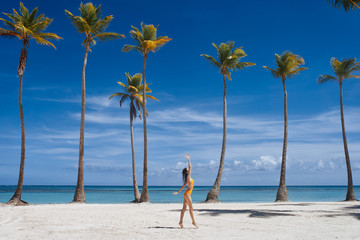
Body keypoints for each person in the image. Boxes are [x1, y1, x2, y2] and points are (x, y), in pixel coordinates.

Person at [173, 155, 198, 229]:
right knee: (191, 208)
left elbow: (183, 186)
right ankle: (193, 222)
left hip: (186, 194)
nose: (188, 169)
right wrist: (189, 159)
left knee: (184, 209)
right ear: (187, 171)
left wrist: (178, 192)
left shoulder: (187, 178)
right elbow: (190, 167)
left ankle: (180, 222)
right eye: (187, 169)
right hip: (187, 195)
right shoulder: (188, 177)